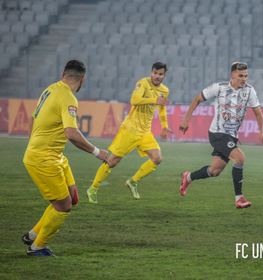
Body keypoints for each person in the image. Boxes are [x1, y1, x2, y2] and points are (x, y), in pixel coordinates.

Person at [22, 60, 108, 256]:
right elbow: (71, 133)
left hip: (55, 156)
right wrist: (98, 152)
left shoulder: (50, 89)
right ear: (82, 79)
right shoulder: (69, 98)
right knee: (63, 206)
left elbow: (33, 118)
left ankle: (33, 234)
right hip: (44, 159)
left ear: (64, 73)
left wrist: (32, 145)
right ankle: (37, 247)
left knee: (73, 198)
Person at [179, 62, 263, 208]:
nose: (244, 79)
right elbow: (197, 99)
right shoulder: (219, 88)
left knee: (214, 171)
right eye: (240, 76)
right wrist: (186, 120)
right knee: (239, 158)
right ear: (232, 75)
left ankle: (188, 177)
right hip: (217, 133)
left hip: (231, 136)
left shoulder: (250, 91)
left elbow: (258, 113)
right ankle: (239, 198)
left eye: (246, 76)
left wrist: (262, 131)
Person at [86, 62, 171, 204]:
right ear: (151, 72)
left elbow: (162, 107)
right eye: (155, 73)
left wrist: (164, 126)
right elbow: (134, 100)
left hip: (145, 132)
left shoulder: (164, 90)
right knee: (112, 161)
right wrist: (154, 99)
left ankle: (133, 181)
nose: (157, 76)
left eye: (160, 74)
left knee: (157, 158)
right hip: (130, 130)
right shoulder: (142, 83)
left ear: (164, 75)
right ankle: (93, 189)